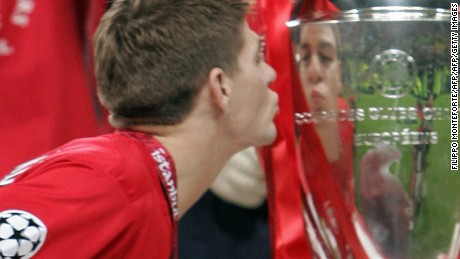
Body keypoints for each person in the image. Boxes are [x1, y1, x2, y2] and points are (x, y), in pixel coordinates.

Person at [0, 0, 278, 258]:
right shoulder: (112, 184)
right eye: (257, 59)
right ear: (221, 87)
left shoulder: (139, 185)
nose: (271, 74)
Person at [297, 23, 354, 202]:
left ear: (340, 74)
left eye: (325, 57)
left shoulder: (348, 117)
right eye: (305, 57)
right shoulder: (281, 125)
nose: (314, 72)